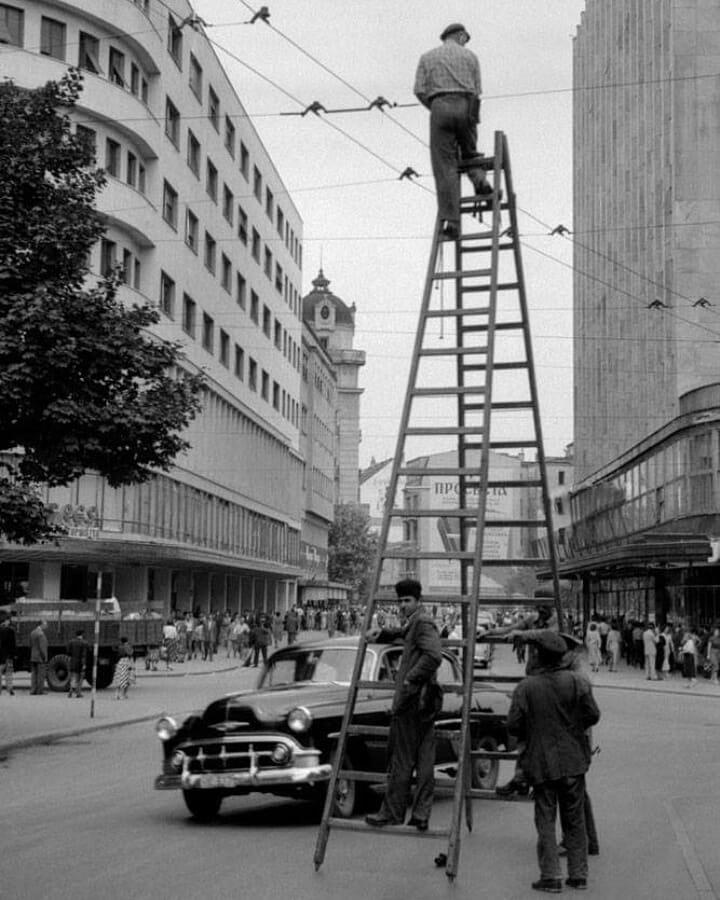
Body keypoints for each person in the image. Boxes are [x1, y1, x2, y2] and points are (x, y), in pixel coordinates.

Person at [507, 630, 601, 893]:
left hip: (541, 762)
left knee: (545, 819)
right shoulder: (577, 682)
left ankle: (550, 876)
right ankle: (578, 875)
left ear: (538, 656)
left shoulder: (526, 687)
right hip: (573, 760)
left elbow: (513, 726)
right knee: (574, 820)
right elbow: (593, 715)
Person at [365, 578, 443, 831]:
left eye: (407, 600)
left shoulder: (422, 622)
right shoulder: (416, 622)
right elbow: (407, 634)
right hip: (423, 701)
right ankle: (420, 814)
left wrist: (410, 679)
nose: (402, 605)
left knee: (400, 759)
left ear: (418, 601)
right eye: (400, 601)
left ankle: (392, 812)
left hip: (412, 701)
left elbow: (433, 655)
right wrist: (385, 633)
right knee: (423, 761)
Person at [414, 23, 493, 240]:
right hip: (466, 105)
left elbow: (419, 90)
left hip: (439, 106)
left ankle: (453, 222)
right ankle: (480, 181)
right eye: (465, 38)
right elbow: (477, 91)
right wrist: (471, 118)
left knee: (444, 165)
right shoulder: (471, 57)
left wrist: (436, 107)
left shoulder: (427, 57)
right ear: (460, 36)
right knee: (470, 152)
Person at [67, 629, 88, 698]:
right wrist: (84, 664)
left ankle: (70, 691)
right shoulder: (84, 643)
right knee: (79, 679)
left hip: (72, 661)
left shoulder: (71, 642)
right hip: (80, 663)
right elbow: (84, 655)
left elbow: (68, 652)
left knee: (72, 677)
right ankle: (78, 692)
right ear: (82, 635)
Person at [29, 619, 48, 695]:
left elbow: (30, 644)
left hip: (33, 656)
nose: (46, 626)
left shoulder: (32, 632)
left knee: (34, 674)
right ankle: (40, 691)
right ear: (41, 625)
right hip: (40, 657)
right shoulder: (41, 634)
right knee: (41, 674)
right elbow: (42, 648)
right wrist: (45, 657)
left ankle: (33, 690)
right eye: (45, 624)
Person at [0, 612, 17, 696]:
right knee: (9, 673)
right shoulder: (11, 630)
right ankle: (10, 689)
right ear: (7, 621)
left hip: (0, 655)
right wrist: (14, 654)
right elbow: (12, 644)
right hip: (8, 656)